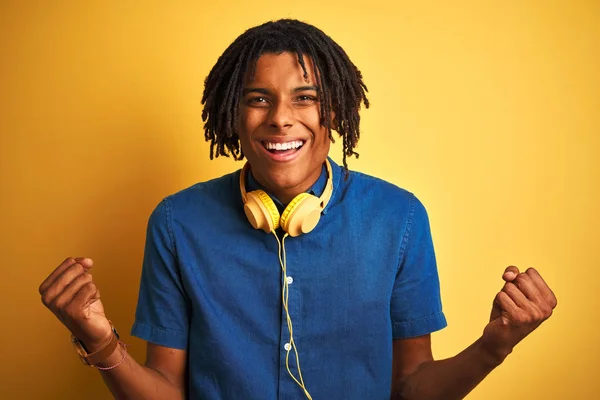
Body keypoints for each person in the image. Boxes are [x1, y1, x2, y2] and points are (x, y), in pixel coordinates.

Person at [39, 19, 557, 400]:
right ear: (232, 116)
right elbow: (165, 392)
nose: (281, 119)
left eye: (305, 98)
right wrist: (99, 340)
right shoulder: (178, 224)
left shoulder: (398, 219)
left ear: (335, 111)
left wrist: (495, 346)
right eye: (258, 99)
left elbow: (411, 389)